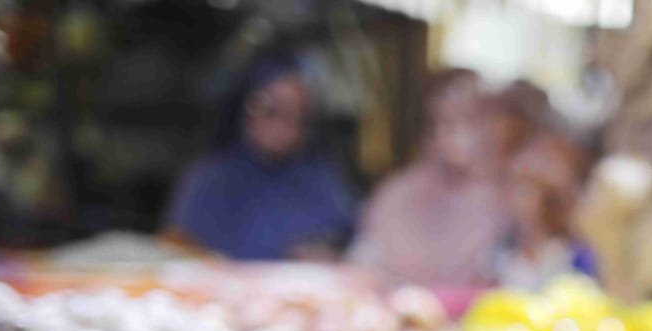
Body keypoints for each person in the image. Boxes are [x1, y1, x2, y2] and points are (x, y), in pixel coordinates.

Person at [165, 52, 357, 261]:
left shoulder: (321, 178)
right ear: (243, 110)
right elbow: (177, 251)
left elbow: (350, 240)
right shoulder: (210, 180)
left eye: (297, 116)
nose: (282, 128)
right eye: (271, 112)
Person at [351, 70, 512, 288]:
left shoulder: (511, 197)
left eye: (473, 119)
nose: (461, 134)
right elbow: (363, 266)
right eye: (447, 122)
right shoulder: (397, 195)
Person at [494, 130, 597, 290]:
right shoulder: (501, 253)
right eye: (517, 188)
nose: (521, 201)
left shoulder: (577, 257)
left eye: (531, 191)